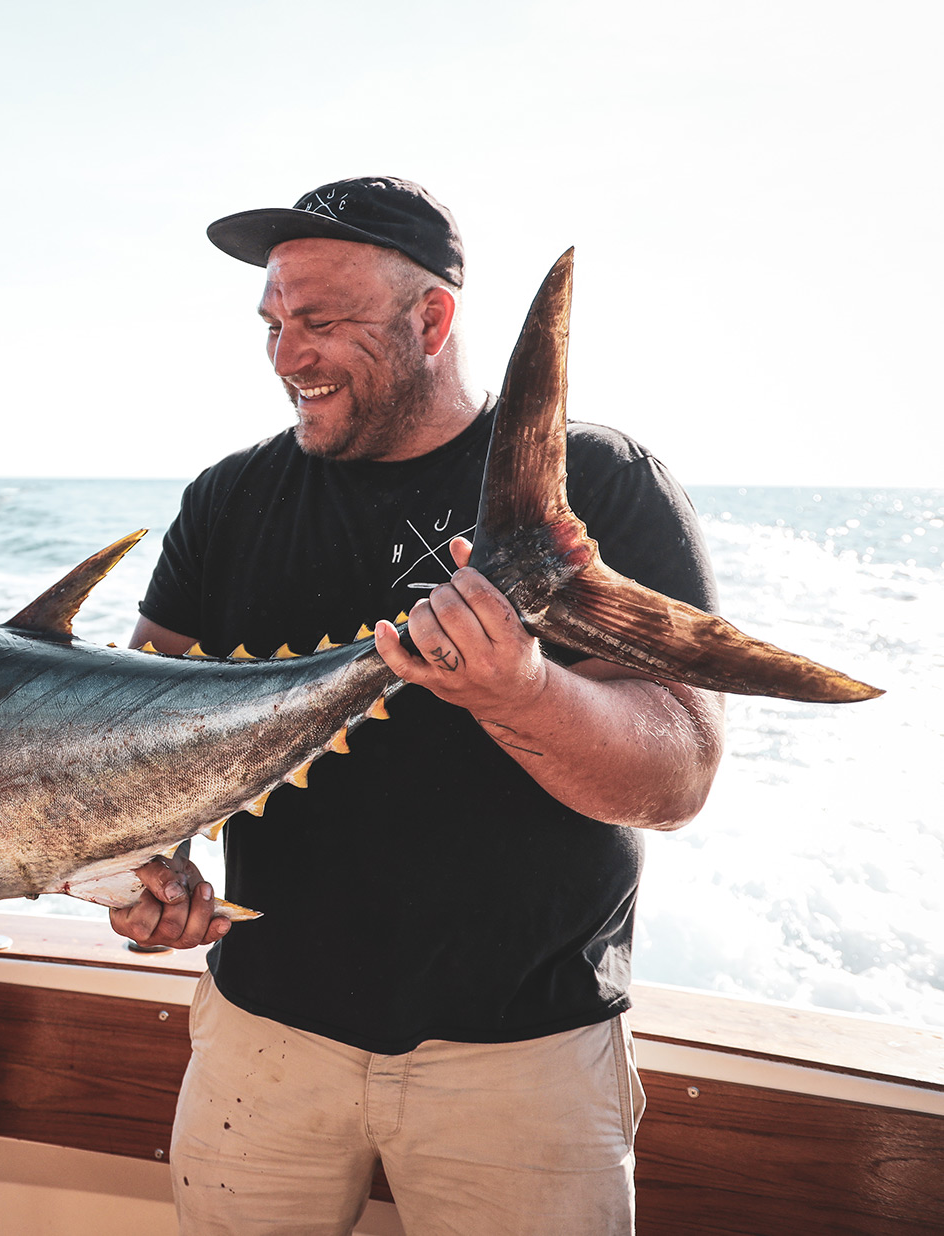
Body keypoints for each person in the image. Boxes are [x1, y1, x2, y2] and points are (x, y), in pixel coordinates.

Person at [108, 177, 724, 1235]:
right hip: (264, 1042)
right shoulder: (227, 501)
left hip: (522, 1065)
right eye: (271, 322)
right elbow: (127, 743)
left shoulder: (600, 485)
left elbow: (678, 779)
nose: (284, 355)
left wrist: (519, 692)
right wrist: (145, 869)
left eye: (321, 322)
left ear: (430, 318)